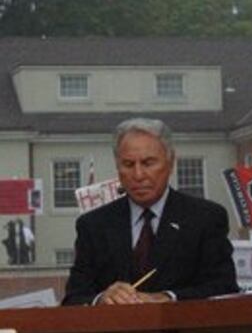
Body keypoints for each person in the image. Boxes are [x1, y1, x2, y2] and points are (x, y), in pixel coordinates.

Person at [63, 118, 238, 305]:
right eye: (128, 165)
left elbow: (224, 288)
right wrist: (101, 299)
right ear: (117, 167)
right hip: (118, 332)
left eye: (148, 163)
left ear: (170, 163)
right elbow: (73, 299)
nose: (138, 175)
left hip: (182, 332)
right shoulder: (93, 225)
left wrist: (168, 298)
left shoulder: (205, 218)